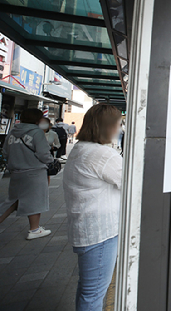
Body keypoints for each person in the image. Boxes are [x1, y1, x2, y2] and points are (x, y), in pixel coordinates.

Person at [63, 104, 123, 310]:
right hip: (101, 233)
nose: (120, 128)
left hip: (87, 229)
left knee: (89, 289)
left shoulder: (82, 148)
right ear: (107, 127)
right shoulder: (102, 155)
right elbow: (132, 181)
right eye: (118, 124)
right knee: (94, 294)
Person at [0, 108, 54, 239]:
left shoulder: (13, 131)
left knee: (13, 201)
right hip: (34, 172)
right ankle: (34, 229)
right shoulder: (37, 133)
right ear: (37, 119)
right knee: (36, 201)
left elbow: (5, 152)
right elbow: (43, 153)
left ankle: (34, 229)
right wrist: (51, 161)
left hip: (16, 172)